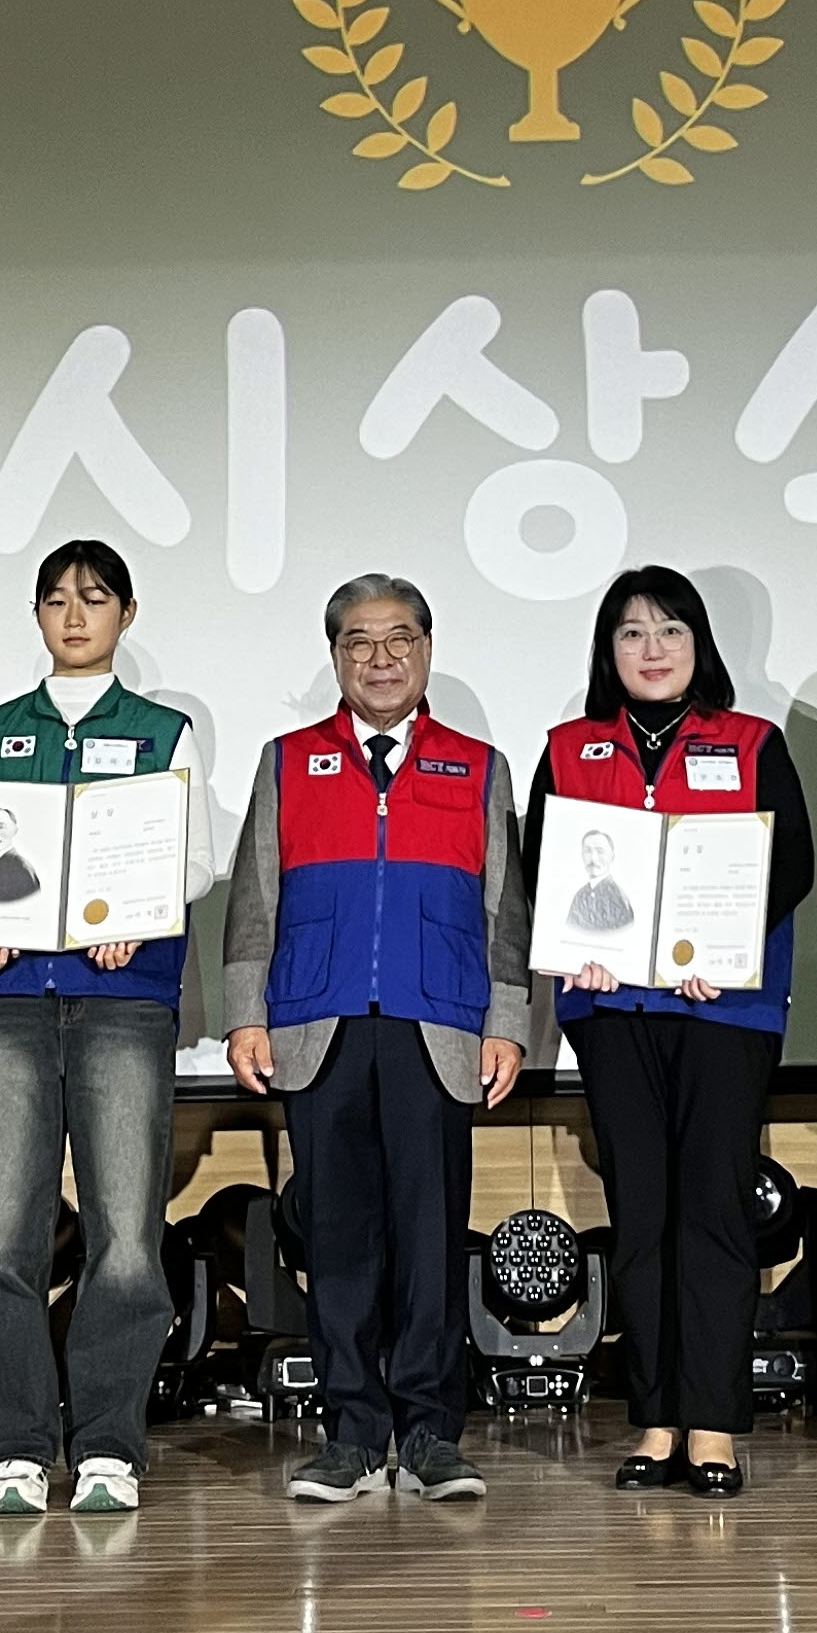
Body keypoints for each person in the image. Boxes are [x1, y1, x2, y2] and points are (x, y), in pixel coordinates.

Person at [223, 573, 529, 1504]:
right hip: (319, 1022)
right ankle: (351, 1435)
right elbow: (255, 899)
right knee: (338, 1239)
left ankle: (431, 1434)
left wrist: (507, 1022)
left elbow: (504, 912)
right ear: (336, 657)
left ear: (426, 650)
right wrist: (245, 1011)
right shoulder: (287, 761)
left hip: (439, 1022)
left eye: (399, 639)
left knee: (431, 1240)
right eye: (359, 641)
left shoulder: (479, 766)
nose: (381, 658)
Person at [521, 567, 813, 1497]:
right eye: (632, 633)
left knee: (714, 1211)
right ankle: (655, 1421)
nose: (653, 650)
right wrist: (579, 952)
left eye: (671, 631)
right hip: (613, 1010)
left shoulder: (752, 742)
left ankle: (714, 1423)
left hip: (724, 1008)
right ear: (608, 650)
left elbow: (791, 865)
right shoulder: (569, 749)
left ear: (700, 645)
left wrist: (723, 948)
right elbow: (542, 872)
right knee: (641, 1214)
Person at [0, 539, 219, 1517]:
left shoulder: (162, 732)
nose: (74, 616)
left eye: (95, 599)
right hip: (11, 1000)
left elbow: (194, 861)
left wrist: (140, 910)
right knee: (0, 1231)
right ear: (37, 614)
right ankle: (16, 1444)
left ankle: (108, 1442)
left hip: (122, 999)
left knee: (127, 1236)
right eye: (57, 600)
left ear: (125, 614)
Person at [565, 830, 636, 933]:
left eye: (600, 851)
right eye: (587, 851)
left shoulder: (618, 897)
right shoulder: (580, 895)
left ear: (612, 857)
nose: (593, 858)